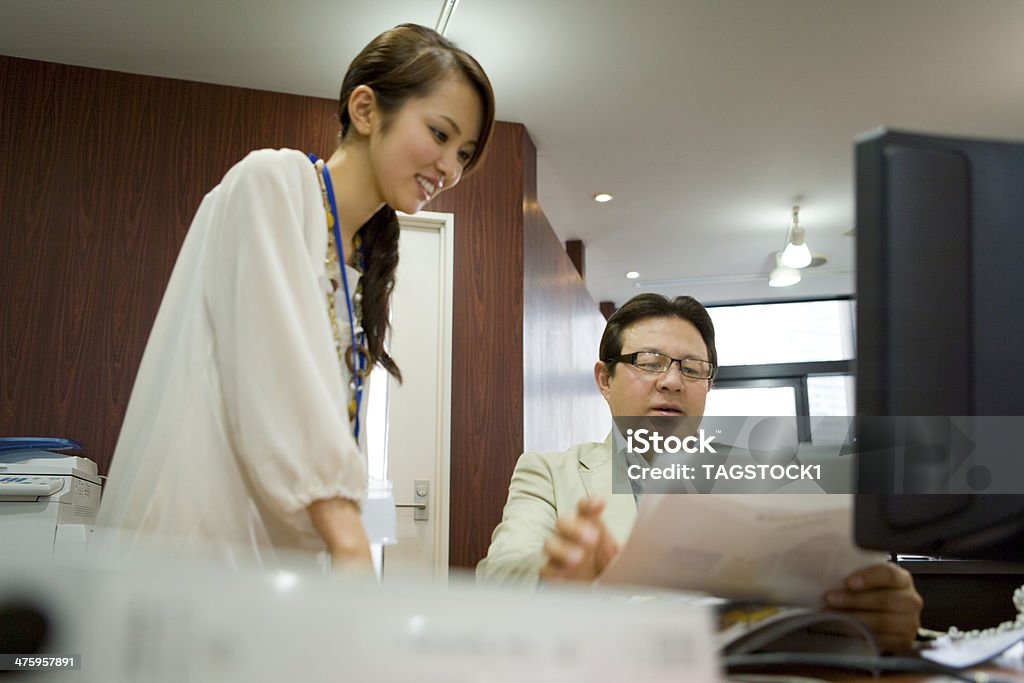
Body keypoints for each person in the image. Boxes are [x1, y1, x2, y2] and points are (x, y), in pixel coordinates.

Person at [97, 24, 495, 573]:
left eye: (465, 153)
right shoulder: (272, 183)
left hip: (279, 551)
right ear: (365, 109)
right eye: (439, 134)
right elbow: (275, 376)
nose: (450, 167)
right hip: (202, 537)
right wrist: (351, 543)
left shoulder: (360, 256)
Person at [477, 293, 923, 653]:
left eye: (692, 369)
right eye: (649, 362)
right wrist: (553, 576)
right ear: (605, 379)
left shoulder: (767, 470)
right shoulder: (550, 473)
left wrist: (880, 605)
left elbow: (837, 579)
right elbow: (498, 577)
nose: (672, 382)